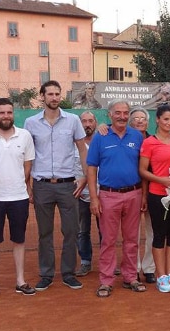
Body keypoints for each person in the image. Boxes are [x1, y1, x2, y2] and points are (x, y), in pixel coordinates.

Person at [24, 80, 88, 291]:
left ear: (61, 96)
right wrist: (28, 184)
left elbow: (82, 149)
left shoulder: (73, 120)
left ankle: (69, 273)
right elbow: (27, 156)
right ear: (42, 96)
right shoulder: (31, 123)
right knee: (45, 233)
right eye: (50, 94)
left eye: (57, 94)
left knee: (71, 230)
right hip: (42, 185)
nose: (54, 97)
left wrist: (85, 177)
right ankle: (46, 273)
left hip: (68, 184)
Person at [0, 98, 36, 300]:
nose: (6, 116)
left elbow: (27, 166)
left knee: (19, 239)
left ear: (13, 114)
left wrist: (20, 184)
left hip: (19, 197)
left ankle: (20, 281)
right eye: (1, 113)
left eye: (9, 112)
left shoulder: (25, 136)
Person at [87, 99, 145, 298]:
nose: (122, 116)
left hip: (134, 194)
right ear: (110, 115)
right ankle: (106, 280)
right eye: (118, 112)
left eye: (125, 112)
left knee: (131, 240)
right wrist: (94, 198)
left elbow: (144, 168)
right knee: (108, 241)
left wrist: (143, 195)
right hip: (108, 195)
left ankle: (130, 277)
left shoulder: (137, 137)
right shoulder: (100, 137)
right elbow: (92, 168)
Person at [139, 104, 170, 292]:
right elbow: (142, 170)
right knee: (159, 235)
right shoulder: (149, 142)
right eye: (165, 119)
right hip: (158, 194)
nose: (169, 123)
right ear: (158, 120)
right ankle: (161, 275)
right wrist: (161, 180)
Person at [130, 107, 157, 284]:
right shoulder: (124, 139)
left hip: (153, 193)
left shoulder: (154, 141)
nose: (140, 121)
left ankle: (149, 268)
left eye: (143, 118)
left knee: (152, 232)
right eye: (136, 118)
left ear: (148, 123)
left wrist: (146, 195)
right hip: (131, 192)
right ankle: (133, 268)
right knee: (132, 234)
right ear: (130, 122)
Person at [74, 111, 101, 277]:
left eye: (90, 121)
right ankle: (85, 262)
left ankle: (108, 262)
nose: (87, 124)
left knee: (105, 230)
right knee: (82, 231)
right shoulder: (73, 143)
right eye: (83, 121)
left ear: (96, 123)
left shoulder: (102, 140)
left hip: (101, 193)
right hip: (79, 194)